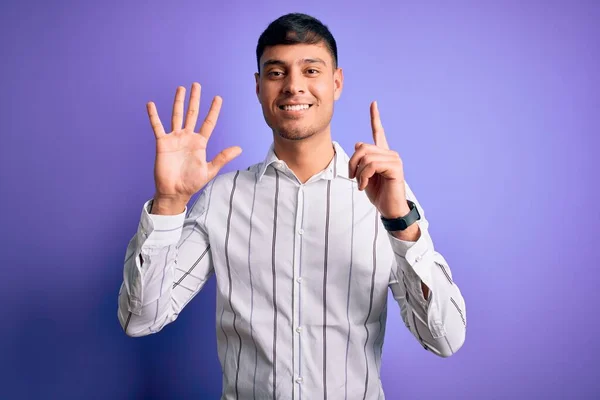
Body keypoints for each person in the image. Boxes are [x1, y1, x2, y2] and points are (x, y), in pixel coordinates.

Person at [118, 12, 466, 400]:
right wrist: (169, 202)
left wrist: (400, 223)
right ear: (258, 86)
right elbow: (139, 319)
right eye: (276, 72)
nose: (294, 86)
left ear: (336, 82)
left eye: (311, 70)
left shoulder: (386, 198)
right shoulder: (223, 198)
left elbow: (445, 339)